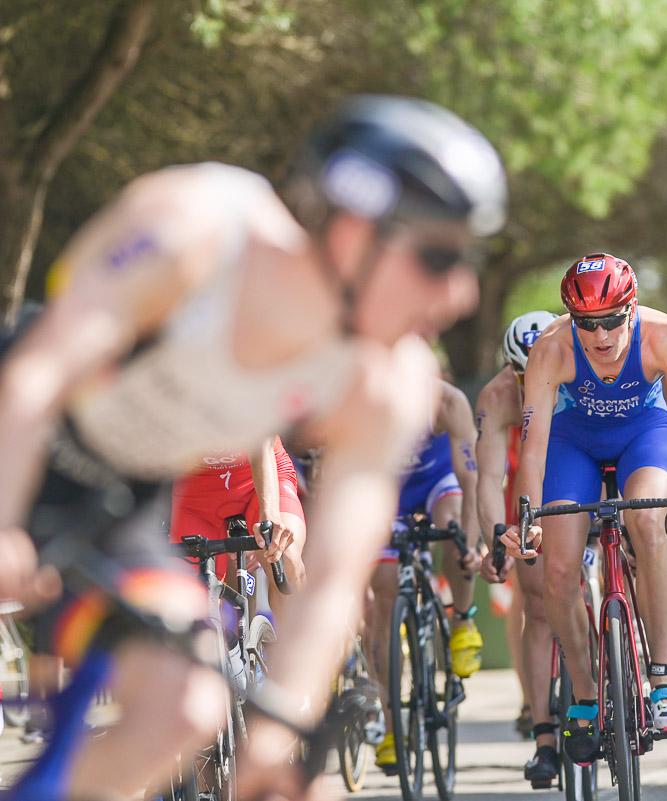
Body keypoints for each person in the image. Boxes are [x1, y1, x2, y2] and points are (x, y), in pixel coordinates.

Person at [0, 95, 505, 800]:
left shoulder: (387, 378)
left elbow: (332, 572)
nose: (460, 294)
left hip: (122, 499)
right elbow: (37, 376)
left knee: (188, 706)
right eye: (438, 256)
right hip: (16, 443)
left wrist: (278, 732)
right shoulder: (197, 227)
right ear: (354, 230)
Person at [500, 253, 667, 764]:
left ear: (632, 308)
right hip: (574, 443)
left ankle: (662, 678)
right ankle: (584, 692)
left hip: (647, 434)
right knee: (556, 563)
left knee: (645, 519)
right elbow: (533, 447)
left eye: (613, 320)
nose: (600, 335)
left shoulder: (666, 336)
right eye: (587, 323)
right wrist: (527, 520)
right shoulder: (551, 347)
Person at [369, 378, 484, 773]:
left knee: (452, 526)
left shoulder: (448, 402)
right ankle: (389, 726)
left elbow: (472, 479)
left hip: (438, 480)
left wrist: (470, 543)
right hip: (386, 489)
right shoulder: (361, 394)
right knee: (383, 597)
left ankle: (463, 620)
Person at [477, 310, 564, 784]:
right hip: (528, 486)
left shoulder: (581, 371)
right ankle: (544, 735)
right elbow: (489, 478)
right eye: (520, 374)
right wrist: (496, 535)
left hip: (578, 473)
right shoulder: (497, 397)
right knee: (535, 601)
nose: (530, 381)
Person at [170, 436, 307, 607]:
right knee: (188, 597)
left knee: (286, 558)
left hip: (258, 480)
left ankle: (306, 632)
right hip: (196, 493)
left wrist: (269, 516)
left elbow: (261, 445)